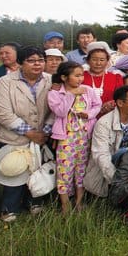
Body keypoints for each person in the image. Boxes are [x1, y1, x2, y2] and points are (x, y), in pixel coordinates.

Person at [0, 46, 54, 222]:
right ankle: (9, 208)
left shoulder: (50, 80)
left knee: (37, 169)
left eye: (40, 60)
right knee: (15, 170)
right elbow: (3, 112)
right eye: (31, 60)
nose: (37, 64)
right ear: (20, 63)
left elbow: (55, 109)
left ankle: (34, 202)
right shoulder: (5, 82)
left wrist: (45, 132)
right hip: (12, 136)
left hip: (42, 136)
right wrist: (30, 133)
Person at [48, 61, 102, 214]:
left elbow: (97, 105)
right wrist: (71, 94)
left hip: (84, 136)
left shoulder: (88, 90)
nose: (80, 79)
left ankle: (79, 201)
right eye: (76, 76)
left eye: (82, 75)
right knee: (64, 169)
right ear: (64, 77)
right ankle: (65, 204)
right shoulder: (55, 93)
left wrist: (89, 114)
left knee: (81, 168)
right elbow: (60, 112)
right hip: (66, 137)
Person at [83, 85, 128, 198]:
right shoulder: (104, 123)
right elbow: (101, 156)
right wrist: (118, 180)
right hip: (110, 171)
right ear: (120, 103)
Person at [83, 42, 122, 118]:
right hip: (83, 118)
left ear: (107, 61)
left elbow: (120, 98)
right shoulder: (80, 76)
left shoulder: (115, 78)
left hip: (108, 118)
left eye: (102, 60)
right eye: (94, 59)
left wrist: (112, 104)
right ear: (88, 61)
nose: (98, 63)